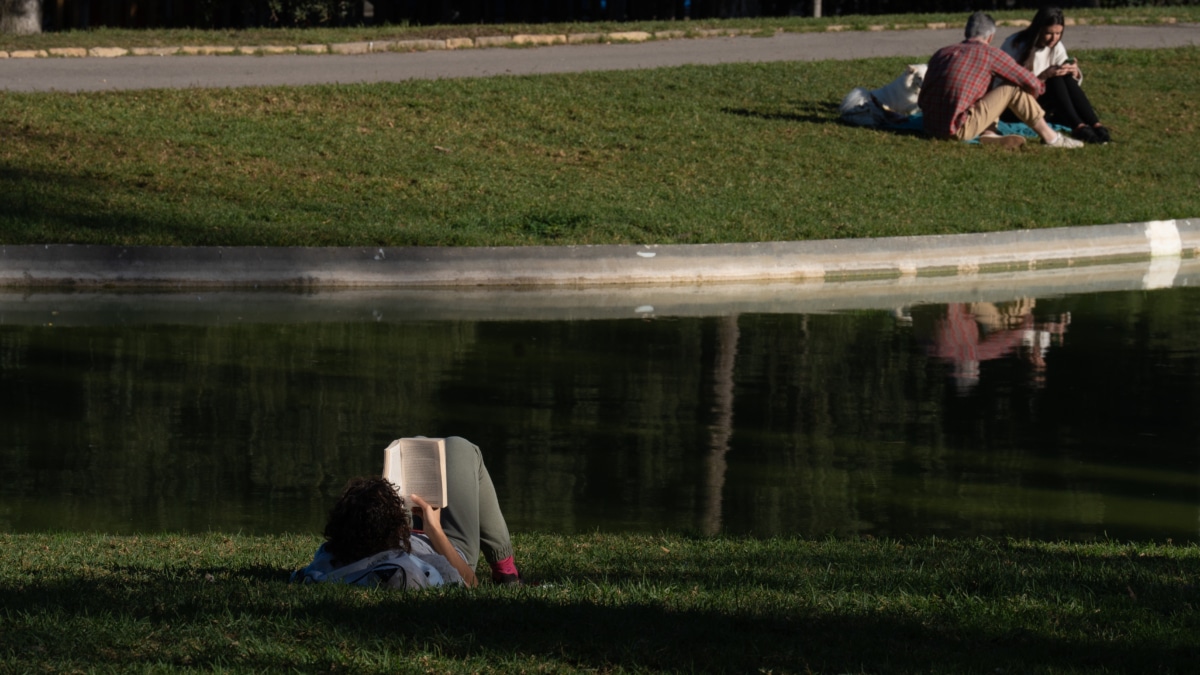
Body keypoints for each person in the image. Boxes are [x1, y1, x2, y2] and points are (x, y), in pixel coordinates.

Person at [292, 436, 521, 589]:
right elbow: (471, 583)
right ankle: (506, 572)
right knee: (461, 448)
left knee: (416, 444)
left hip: (402, 535)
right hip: (447, 544)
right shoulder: (413, 566)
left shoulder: (334, 555)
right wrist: (434, 530)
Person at [918, 11, 1083, 149]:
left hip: (929, 126)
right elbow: (1030, 82)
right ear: (990, 37)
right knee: (1011, 87)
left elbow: (923, 95)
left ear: (966, 32)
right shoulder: (990, 54)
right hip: (956, 130)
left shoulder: (942, 53)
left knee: (986, 88)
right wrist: (1040, 87)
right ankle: (1051, 138)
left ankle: (989, 132)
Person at [1000, 7, 1110, 144]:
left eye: (1058, 33)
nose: (1054, 38)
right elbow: (1007, 86)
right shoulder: (1015, 44)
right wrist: (1043, 76)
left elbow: (1066, 84)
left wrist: (1073, 72)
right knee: (1054, 80)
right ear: (1038, 30)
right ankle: (1078, 126)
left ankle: (1095, 124)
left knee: (1062, 76)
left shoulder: (1056, 46)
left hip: (1043, 99)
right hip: (1019, 104)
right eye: (1049, 33)